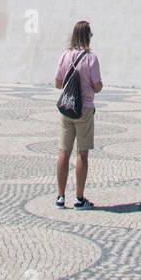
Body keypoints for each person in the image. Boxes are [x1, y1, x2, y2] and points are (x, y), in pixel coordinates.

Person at [54, 20, 103, 209]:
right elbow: (97, 86)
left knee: (63, 153)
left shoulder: (65, 56)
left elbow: (58, 83)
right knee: (82, 154)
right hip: (85, 110)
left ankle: (60, 197)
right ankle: (79, 198)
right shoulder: (91, 58)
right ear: (88, 36)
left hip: (67, 109)